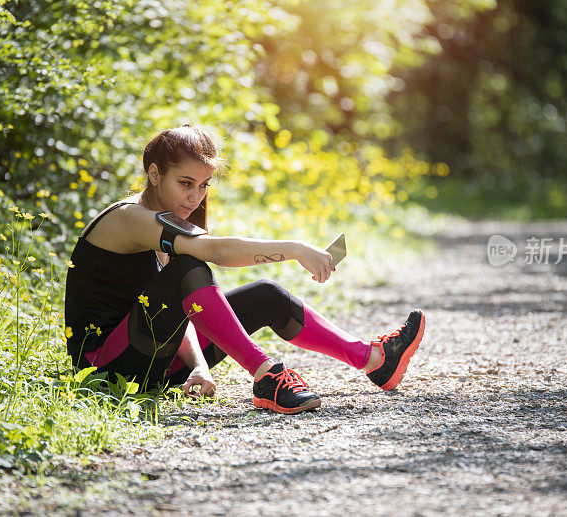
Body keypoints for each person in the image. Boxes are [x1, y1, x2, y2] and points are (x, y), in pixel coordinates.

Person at [64, 124, 426, 414]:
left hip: (152, 358)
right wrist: (294, 248)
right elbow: (214, 252)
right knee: (191, 265)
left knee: (265, 295)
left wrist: (198, 366)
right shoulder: (130, 219)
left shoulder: (167, 219)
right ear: (155, 174)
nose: (195, 197)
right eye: (185, 184)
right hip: (104, 366)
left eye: (203, 186)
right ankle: (266, 374)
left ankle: (374, 359)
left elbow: (175, 308)